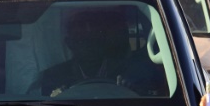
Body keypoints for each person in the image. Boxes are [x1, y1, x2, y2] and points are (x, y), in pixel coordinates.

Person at [33, 8, 167, 97]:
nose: (89, 44)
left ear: (104, 40)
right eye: (82, 39)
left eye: (94, 38)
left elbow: (150, 103)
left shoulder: (130, 72)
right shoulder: (55, 76)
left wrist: (133, 92)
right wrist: (57, 97)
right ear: (70, 43)